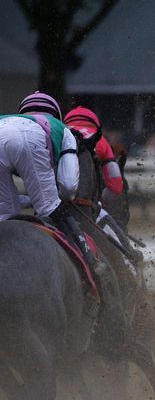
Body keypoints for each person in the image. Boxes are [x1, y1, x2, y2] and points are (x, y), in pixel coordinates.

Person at [0, 92, 114, 277]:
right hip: (31, 139)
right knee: (52, 209)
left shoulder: (8, 120)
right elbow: (68, 188)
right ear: (57, 115)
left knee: (5, 218)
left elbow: (15, 198)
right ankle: (91, 263)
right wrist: (52, 199)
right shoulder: (63, 129)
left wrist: (31, 200)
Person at [64, 105, 143, 264]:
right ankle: (129, 256)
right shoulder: (100, 141)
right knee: (116, 239)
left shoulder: (57, 136)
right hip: (87, 210)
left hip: (54, 208)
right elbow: (116, 185)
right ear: (96, 125)